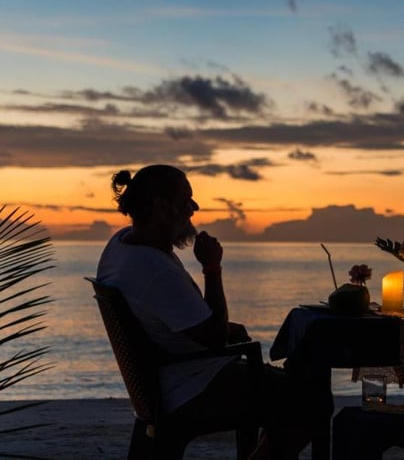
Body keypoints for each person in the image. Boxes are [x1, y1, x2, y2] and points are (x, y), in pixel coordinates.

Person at [96, 164, 311, 460]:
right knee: (309, 402)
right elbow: (214, 339)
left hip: (162, 379)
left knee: (287, 387)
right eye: (187, 201)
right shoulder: (154, 271)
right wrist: (211, 268)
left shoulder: (121, 244)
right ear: (161, 206)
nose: (194, 208)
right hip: (190, 386)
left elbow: (185, 322)